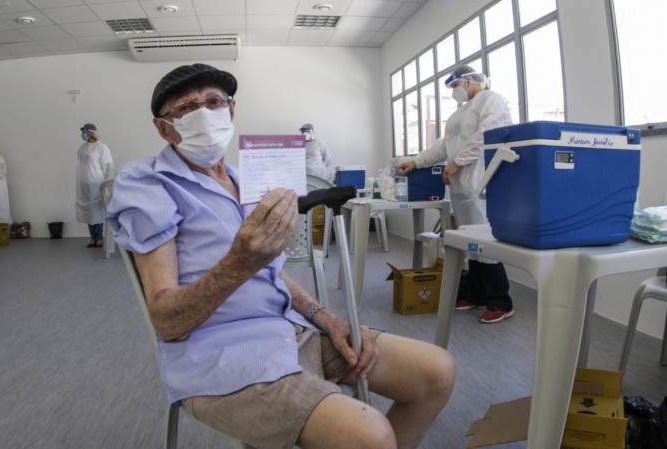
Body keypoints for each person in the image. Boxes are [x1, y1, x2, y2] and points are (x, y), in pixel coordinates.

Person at [106, 63, 455, 449]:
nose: (203, 113)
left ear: (231, 110)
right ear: (163, 127)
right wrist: (239, 261)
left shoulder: (245, 180)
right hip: (220, 351)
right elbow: (167, 320)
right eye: (186, 108)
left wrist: (325, 318)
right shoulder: (149, 182)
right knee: (369, 436)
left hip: (290, 328)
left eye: (213, 102)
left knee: (436, 372)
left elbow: (267, 271)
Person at [396, 65, 515, 324]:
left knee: (485, 243)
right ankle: (477, 294)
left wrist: (456, 162)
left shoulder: (490, 99)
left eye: (456, 85)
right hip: (460, 187)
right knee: (470, 243)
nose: (454, 91)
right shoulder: (458, 114)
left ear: (470, 80)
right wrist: (416, 161)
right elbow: (443, 146)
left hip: (481, 181)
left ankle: (500, 301)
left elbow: (488, 136)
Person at [76, 123, 114, 248]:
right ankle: (92, 238)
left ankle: (99, 238)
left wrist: (106, 182)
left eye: (85, 132)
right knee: (88, 211)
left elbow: (108, 166)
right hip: (84, 184)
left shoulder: (101, 147)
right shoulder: (82, 148)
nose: (83, 135)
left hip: (96, 184)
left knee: (97, 211)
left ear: (91, 133)